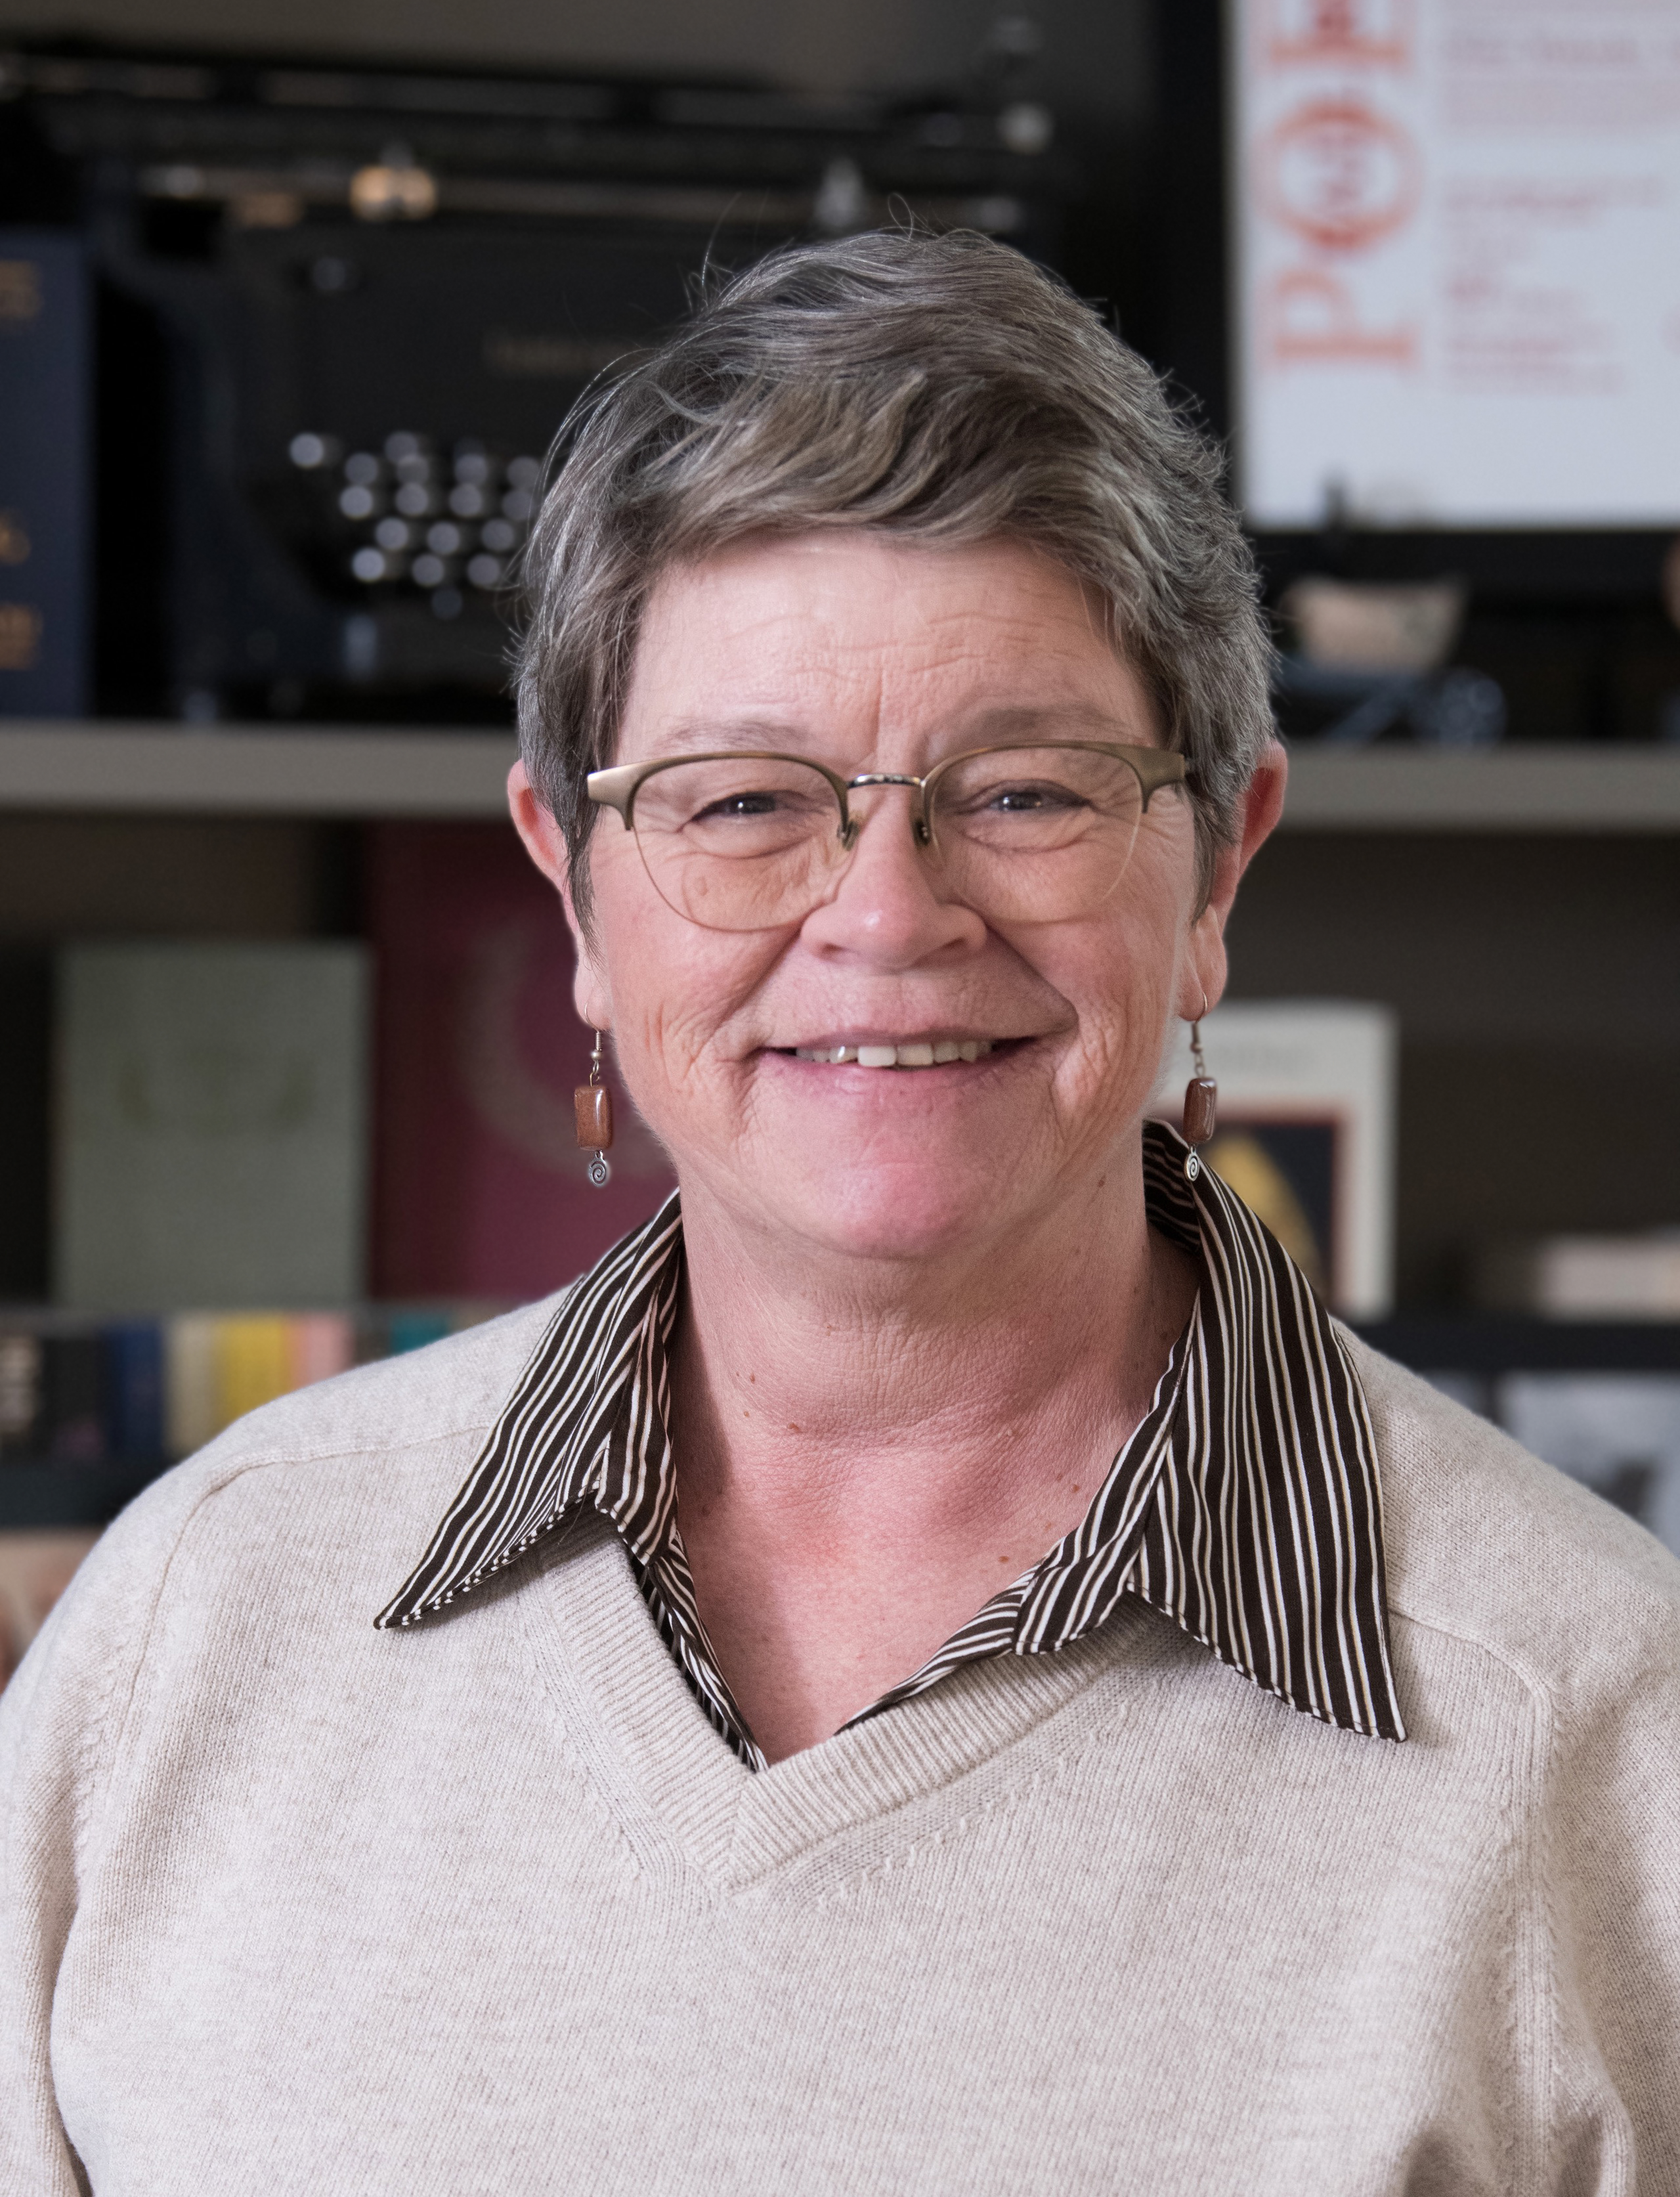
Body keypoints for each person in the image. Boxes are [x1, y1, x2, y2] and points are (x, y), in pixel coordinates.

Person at [3, 230, 1677, 2196]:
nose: (886, 917)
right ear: (573, 889)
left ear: (1218, 862)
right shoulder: (199, 1626)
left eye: (1028, 793)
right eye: (741, 802)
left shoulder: (1596, 1737)